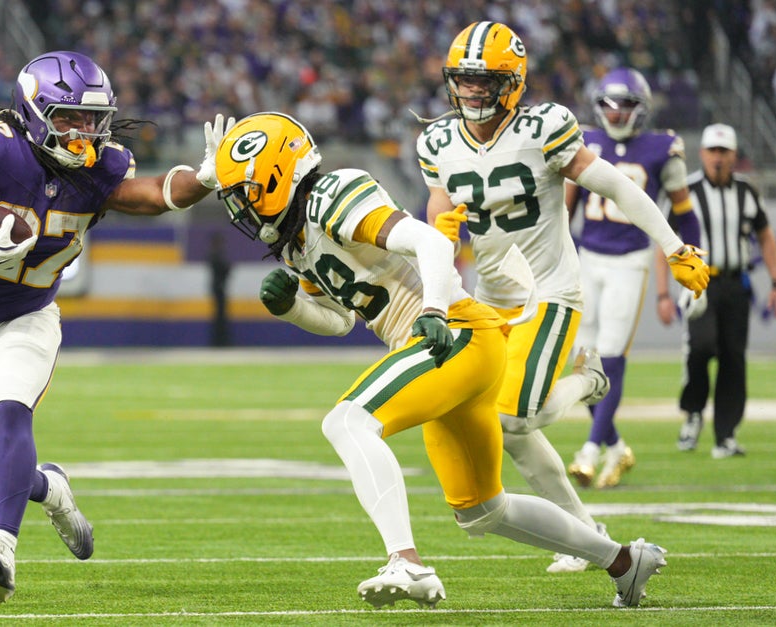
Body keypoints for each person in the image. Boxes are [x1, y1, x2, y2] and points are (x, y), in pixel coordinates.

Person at [216, 111, 668, 609]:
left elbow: (429, 240)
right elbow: (342, 321)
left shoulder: (332, 194)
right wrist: (293, 309)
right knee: (483, 510)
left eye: (244, 193)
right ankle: (624, 561)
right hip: (449, 345)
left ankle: (406, 561)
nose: (241, 209)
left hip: (451, 331)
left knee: (347, 422)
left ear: (279, 177)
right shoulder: (297, 237)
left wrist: (432, 308)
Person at [0, 50, 235, 604]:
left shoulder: (100, 167)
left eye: (91, 119)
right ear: (33, 111)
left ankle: (1, 547)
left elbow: (151, 194)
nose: (83, 132)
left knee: (11, 410)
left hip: (29, 316)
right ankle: (52, 492)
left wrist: (202, 178)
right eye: (68, 118)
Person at [419, 22, 709, 574]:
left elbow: (620, 187)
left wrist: (673, 246)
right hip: (490, 297)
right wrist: (443, 238)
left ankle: (588, 379)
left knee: (514, 419)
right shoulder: (437, 141)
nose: (472, 92)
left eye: (484, 82)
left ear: (512, 83)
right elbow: (438, 211)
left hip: (549, 290)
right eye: (464, 81)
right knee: (508, 433)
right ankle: (585, 533)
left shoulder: (545, 127)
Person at [564, 67, 702, 490]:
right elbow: (565, 208)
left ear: (641, 109)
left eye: (624, 105)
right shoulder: (585, 139)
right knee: (581, 360)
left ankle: (589, 449)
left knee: (611, 355)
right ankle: (617, 446)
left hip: (631, 259)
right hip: (588, 257)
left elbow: (683, 211)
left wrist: (695, 264)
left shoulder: (662, 147)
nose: (616, 113)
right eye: (609, 103)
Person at [673, 123, 776, 457]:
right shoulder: (687, 190)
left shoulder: (747, 191)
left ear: (734, 155)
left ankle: (726, 434)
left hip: (736, 282)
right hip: (700, 283)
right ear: (702, 153)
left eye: (724, 151)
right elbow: (666, 237)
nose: (718, 158)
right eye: (712, 151)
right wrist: (665, 292)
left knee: (734, 358)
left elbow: (766, 235)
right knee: (701, 347)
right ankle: (693, 413)